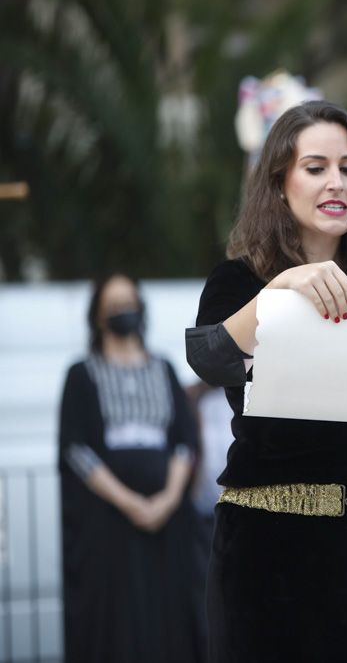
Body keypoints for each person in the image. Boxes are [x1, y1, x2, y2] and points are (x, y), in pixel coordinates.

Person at [185, 100, 347, 663]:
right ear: (279, 184)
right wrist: (282, 290)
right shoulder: (240, 281)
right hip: (267, 545)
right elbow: (209, 359)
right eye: (315, 167)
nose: (336, 182)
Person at [57, 273, 206, 663]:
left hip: (167, 522)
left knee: (168, 614)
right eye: (114, 306)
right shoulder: (81, 374)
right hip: (108, 524)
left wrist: (168, 499)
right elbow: (76, 449)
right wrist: (130, 503)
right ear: (98, 316)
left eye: (129, 303)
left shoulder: (164, 368)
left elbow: (184, 442)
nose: (123, 312)